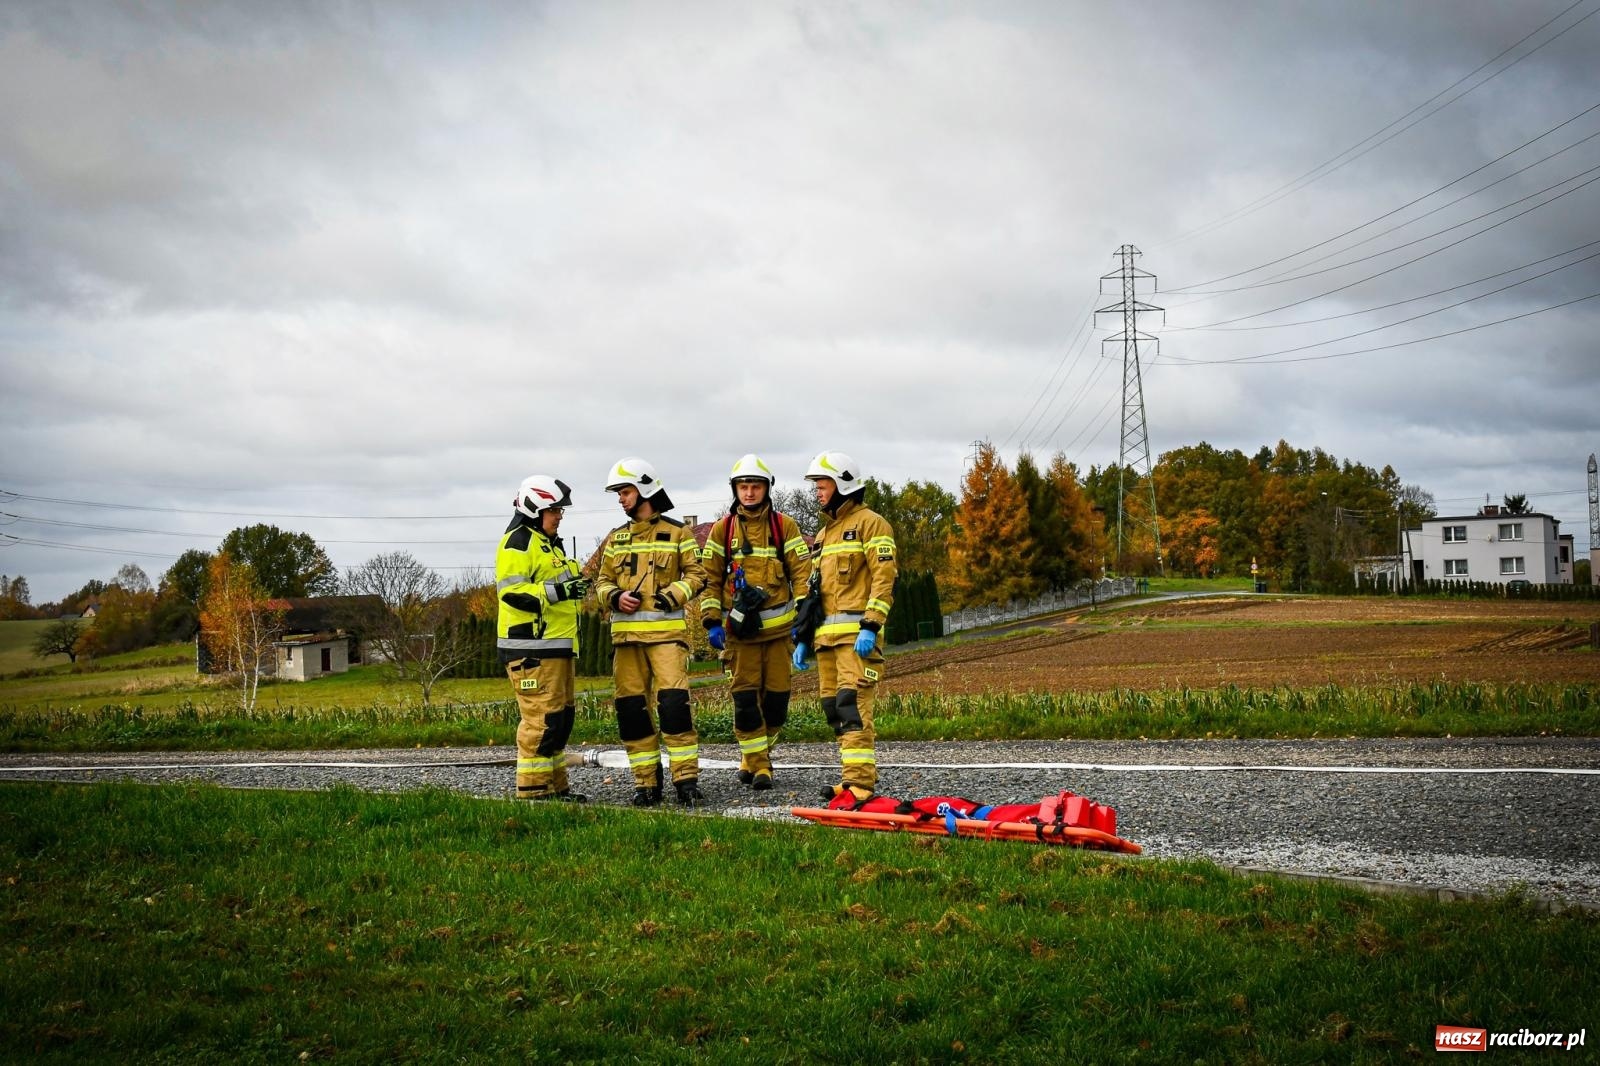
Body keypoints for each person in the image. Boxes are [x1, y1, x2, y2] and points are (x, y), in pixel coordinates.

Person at [594, 457, 708, 807]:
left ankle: (686, 781)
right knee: (632, 713)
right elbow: (601, 581)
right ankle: (646, 783)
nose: (620, 499)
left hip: (666, 641)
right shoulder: (616, 538)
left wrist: (673, 594)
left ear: (645, 489)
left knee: (674, 709)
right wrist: (614, 596)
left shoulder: (679, 533)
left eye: (625, 492)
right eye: (618, 493)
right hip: (627, 643)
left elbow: (698, 575)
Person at [698, 454, 813, 791]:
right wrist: (711, 621)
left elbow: (802, 574)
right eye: (743, 486)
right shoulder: (723, 530)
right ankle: (761, 765)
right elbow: (709, 579)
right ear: (735, 490)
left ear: (767, 489)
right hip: (740, 637)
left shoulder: (784, 527)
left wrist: (803, 619)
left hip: (779, 636)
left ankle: (751, 758)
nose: (749, 493)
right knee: (747, 703)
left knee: (776, 705)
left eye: (756, 486)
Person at [792, 451, 897, 804]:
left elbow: (884, 578)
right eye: (817, 485)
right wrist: (804, 637)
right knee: (833, 709)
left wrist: (871, 625)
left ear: (843, 484)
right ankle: (852, 776)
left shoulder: (872, 524)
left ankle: (860, 784)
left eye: (822, 484)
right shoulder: (823, 535)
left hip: (857, 639)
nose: (818, 491)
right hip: (826, 641)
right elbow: (815, 592)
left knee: (852, 706)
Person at [495, 474, 589, 801]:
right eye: (554, 510)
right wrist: (561, 591)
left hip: (556, 648)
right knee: (542, 722)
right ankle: (534, 794)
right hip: (531, 650)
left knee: (559, 721)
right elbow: (512, 593)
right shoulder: (518, 542)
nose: (560, 516)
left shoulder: (547, 543)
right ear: (535, 509)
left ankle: (556, 789)